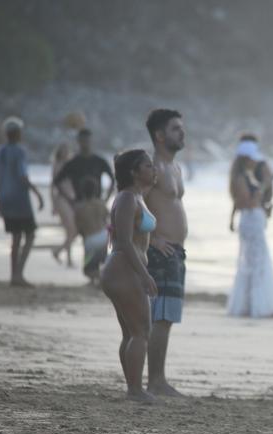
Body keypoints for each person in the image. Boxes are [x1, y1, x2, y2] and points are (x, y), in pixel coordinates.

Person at [100, 150, 159, 402]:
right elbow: (123, 241)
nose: (153, 169)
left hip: (123, 269)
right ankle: (135, 389)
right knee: (141, 331)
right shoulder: (126, 198)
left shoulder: (135, 196)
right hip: (124, 269)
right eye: (148, 165)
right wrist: (145, 275)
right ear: (134, 172)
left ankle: (133, 387)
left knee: (131, 332)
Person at [144, 109, 187, 397]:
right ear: (159, 135)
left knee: (167, 316)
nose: (181, 132)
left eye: (181, 128)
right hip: (160, 252)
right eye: (175, 128)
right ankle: (155, 380)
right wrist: (152, 237)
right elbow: (130, 202)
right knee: (160, 316)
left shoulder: (174, 167)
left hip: (176, 252)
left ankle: (158, 378)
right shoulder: (152, 167)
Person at [227, 139, 273, 317]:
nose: (256, 162)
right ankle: (256, 305)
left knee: (255, 262)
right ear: (246, 159)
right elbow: (246, 202)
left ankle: (253, 303)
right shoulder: (240, 177)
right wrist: (265, 186)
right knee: (255, 262)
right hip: (251, 220)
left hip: (253, 219)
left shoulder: (246, 175)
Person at [0, 116, 44, 287]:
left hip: (5, 198)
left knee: (15, 237)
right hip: (20, 200)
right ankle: (18, 273)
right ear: (16, 133)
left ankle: (13, 274)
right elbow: (23, 176)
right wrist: (38, 194)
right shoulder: (20, 151)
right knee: (29, 234)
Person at [73, 177, 109, 286]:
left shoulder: (79, 208)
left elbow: (79, 227)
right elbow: (106, 219)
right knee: (102, 260)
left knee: (88, 268)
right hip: (103, 236)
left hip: (90, 239)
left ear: (82, 191)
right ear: (96, 190)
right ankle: (100, 278)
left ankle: (98, 277)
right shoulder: (101, 204)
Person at [49, 142, 76, 267]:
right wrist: (53, 205)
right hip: (61, 199)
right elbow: (54, 185)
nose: (65, 152)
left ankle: (59, 252)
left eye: (67, 150)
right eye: (63, 150)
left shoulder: (71, 165)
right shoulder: (57, 165)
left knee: (72, 231)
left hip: (72, 198)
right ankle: (66, 257)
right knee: (70, 229)